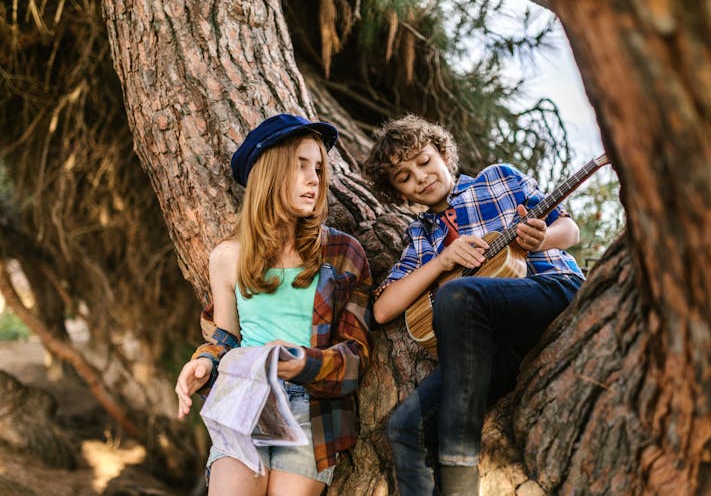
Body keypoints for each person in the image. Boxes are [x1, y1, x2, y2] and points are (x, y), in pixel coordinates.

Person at [364, 115, 584, 495]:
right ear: (400, 194)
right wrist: (442, 261)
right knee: (405, 425)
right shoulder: (421, 237)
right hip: (492, 346)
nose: (420, 176)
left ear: (443, 155)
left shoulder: (497, 179)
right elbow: (383, 309)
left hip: (548, 291)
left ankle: (460, 481)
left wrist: (541, 239)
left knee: (456, 295)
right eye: (404, 177)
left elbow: (570, 230)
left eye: (424, 160)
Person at [175, 114, 372, 496]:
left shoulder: (344, 253)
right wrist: (204, 362)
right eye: (300, 166)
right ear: (268, 175)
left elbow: (356, 356)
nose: (315, 179)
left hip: (311, 411)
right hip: (244, 397)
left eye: (317, 168)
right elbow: (227, 336)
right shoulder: (228, 256)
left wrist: (303, 363)